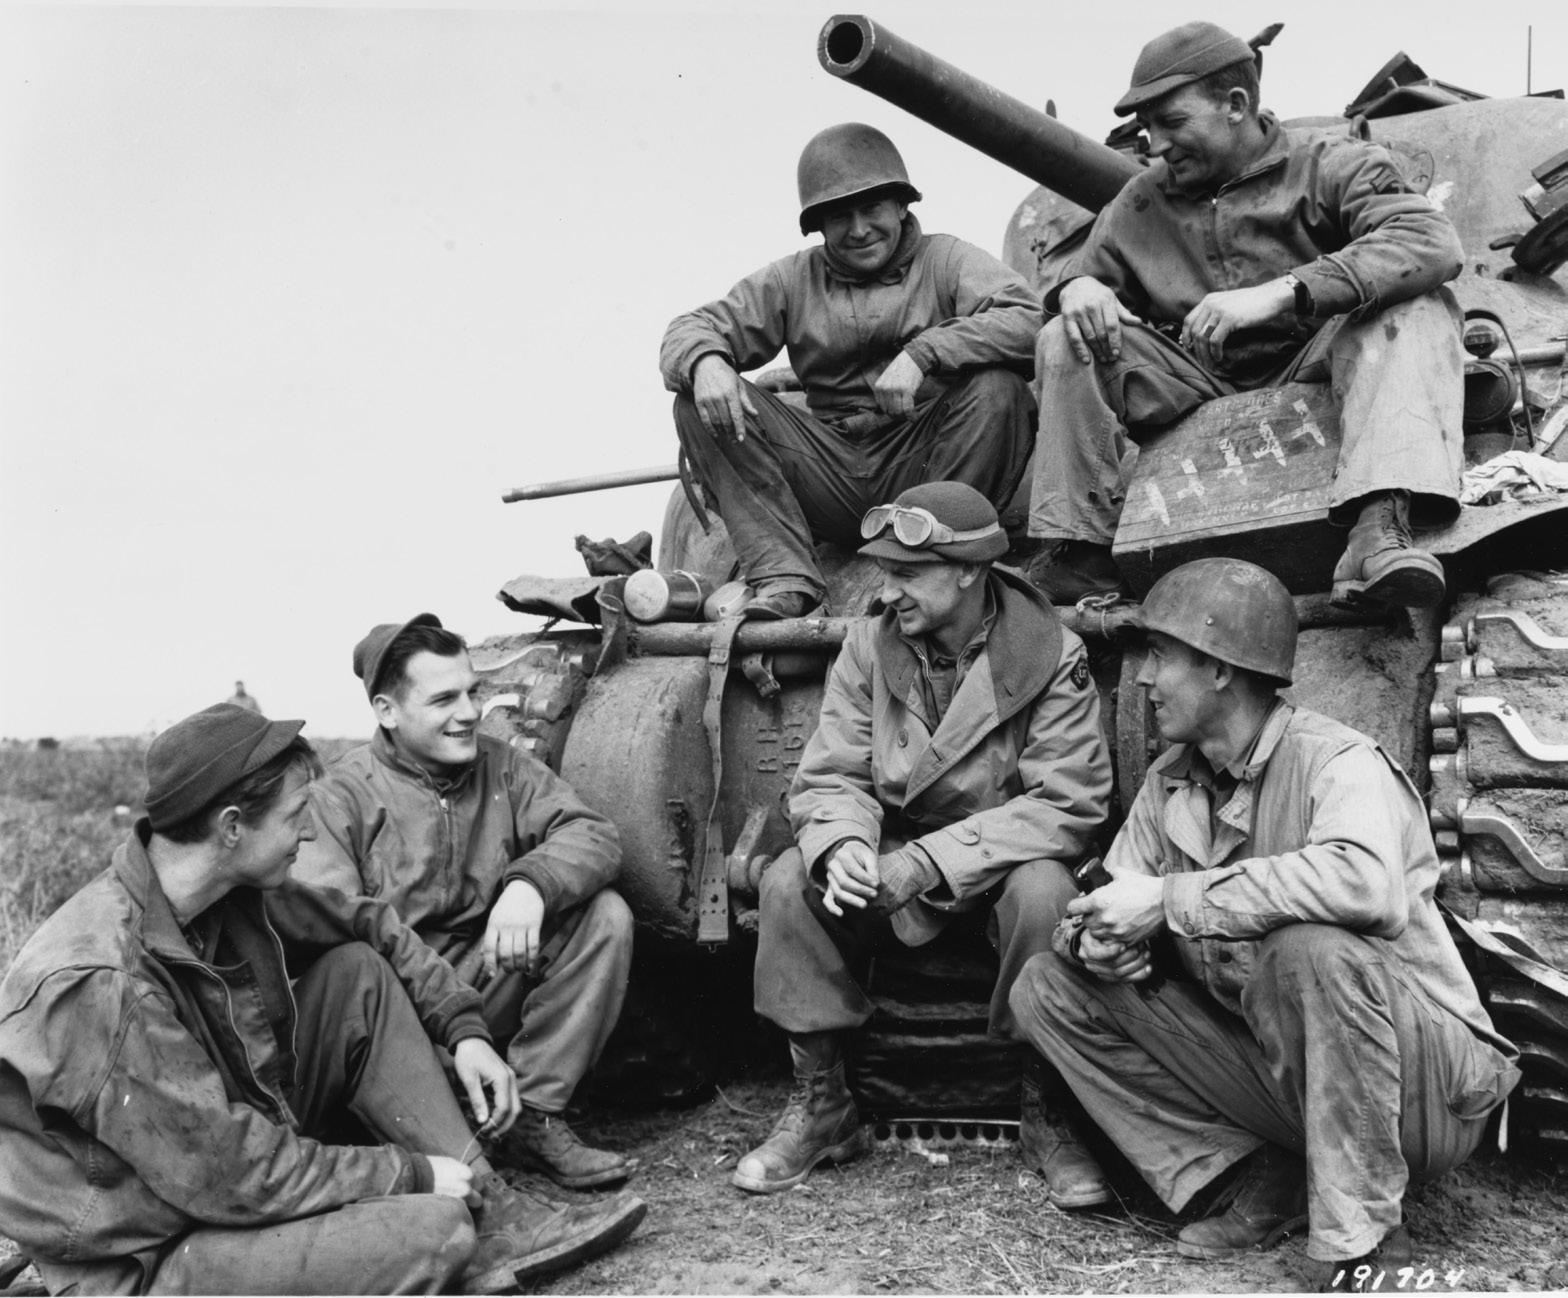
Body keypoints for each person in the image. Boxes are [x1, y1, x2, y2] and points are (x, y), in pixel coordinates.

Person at [0, 703, 645, 1296]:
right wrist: (407, 1173)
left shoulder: (219, 889)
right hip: (147, 1255)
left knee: (355, 973)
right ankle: (463, 1222)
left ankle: (494, 1209)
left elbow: (370, 924)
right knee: (436, 1230)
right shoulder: (104, 982)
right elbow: (231, 1173)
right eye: (295, 815)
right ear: (231, 827)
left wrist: (466, 1031)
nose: (309, 833)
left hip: (213, 1169)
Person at [1008, 558, 1519, 1289]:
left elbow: (1365, 885)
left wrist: (1170, 901)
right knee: (1048, 986)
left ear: (1220, 670)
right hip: (1289, 1080)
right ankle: (1261, 1173)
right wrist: (1095, 944)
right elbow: (1113, 899)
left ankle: (1367, 1236)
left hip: (1426, 1094)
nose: (1143, 679)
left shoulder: (1337, 761)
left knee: (1308, 950)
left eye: (1160, 655)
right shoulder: (1169, 781)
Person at [736, 481, 1114, 1205]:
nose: (888, 591)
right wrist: (843, 844)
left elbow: (1067, 802)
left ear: (968, 571)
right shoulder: (868, 645)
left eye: (907, 574)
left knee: (1048, 892)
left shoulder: (1048, 652)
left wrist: (928, 861)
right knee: (788, 881)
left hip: (997, 862)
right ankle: (823, 1106)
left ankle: (1049, 1112)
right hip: (889, 854)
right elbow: (834, 772)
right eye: (884, 572)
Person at [1028, 21, 1465, 608]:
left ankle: (1377, 529)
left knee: (1416, 306)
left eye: (1172, 122)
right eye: (1148, 128)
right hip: (1195, 380)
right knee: (1067, 337)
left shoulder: (1332, 163)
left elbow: (1430, 241)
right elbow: (1084, 283)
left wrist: (1283, 290)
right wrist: (1078, 287)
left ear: (1235, 105)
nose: (1155, 145)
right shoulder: (1139, 203)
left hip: (1320, 361)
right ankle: (1083, 552)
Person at [292, 614, 637, 1190]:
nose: (470, 712)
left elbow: (594, 834)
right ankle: (438, 1118)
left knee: (604, 915)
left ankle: (531, 1116)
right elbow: (337, 937)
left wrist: (530, 885)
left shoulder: (503, 766)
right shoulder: (339, 797)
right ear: (387, 711)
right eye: (444, 700)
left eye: (473, 692)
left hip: (482, 977)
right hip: (401, 1009)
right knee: (359, 966)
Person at [661, 122, 1042, 621]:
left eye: (872, 209)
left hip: (923, 461)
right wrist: (706, 361)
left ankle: (924, 566)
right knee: (694, 399)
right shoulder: (792, 278)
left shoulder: (948, 260)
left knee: (999, 390)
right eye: (840, 215)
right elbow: (690, 328)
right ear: (818, 225)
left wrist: (925, 353)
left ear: (902, 205)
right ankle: (784, 578)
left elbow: (1029, 320)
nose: (859, 229)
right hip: (828, 469)